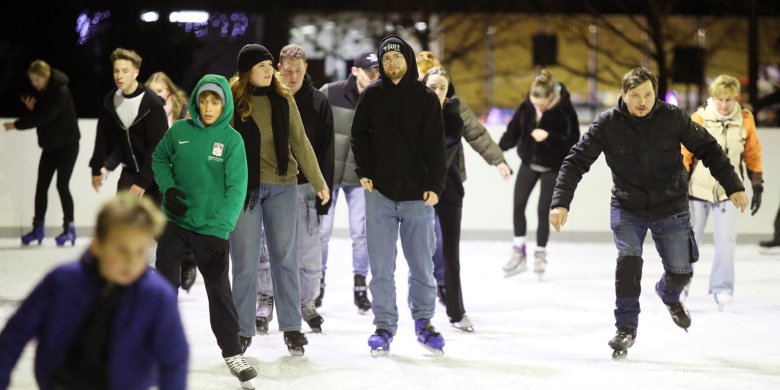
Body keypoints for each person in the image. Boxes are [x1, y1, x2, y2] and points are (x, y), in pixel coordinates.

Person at [549, 67, 749, 359]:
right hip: (628, 206)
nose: (642, 101)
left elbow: (709, 149)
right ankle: (625, 328)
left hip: (670, 205)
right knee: (629, 260)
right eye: (635, 96)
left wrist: (734, 185)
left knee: (681, 271)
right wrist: (560, 202)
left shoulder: (673, 117)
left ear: (656, 94)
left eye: (648, 95)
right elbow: (575, 162)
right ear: (623, 95)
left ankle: (668, 294)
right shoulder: (607, 124)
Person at [0, 192, 188, 390]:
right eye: (121, 250)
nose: (131, 261)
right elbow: (15, 335)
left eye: (140, 251)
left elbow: (174, 359)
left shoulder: (157, 296)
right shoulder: (62, 282)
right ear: (97, 245)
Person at [151, 74, 256, 385]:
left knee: (219, 291)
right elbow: (159, 159)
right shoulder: (180, 131)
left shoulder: (232, 141)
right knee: (163, 287)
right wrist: (168, 189)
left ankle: (233, 353)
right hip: (174, 222)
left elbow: (236, 189)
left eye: (215, 101)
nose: (208, 107)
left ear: (224, 104)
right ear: (196, 100)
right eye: (204, 100)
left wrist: (221, 230)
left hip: (210, 229)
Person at [229, 44, 329, 356]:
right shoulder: (233, 100)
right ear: (247, 71)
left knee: (285, 259)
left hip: (283, 186)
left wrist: (319, 182)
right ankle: (243, 329)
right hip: (245, 189)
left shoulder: (283, 98)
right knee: (244, 261)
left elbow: (300, 140)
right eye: (261, 66)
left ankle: (291, 327)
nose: (268, 71)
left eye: (270, 65)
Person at [352, 35, 447, 355]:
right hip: (379, 194)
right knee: (381, 267)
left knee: (421, 265)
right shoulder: (373, 95)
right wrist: (363, 171)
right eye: (386, 58)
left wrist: (436, 185)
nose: (391, 63)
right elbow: (358, 136)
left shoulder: (424, 98)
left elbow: (436, 146)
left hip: (418, 196)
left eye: (397, 57)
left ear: (407, 59)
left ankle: (424, 321)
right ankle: (384, 325)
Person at [415, 51, 512, 302]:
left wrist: (498, 160)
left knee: (441, 236)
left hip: (448, 180)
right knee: (424, 238)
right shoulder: (410, 102)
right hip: (416, 183)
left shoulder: (454, 105)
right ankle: (427, 286)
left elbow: (476, 133)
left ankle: (443, 282)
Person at [255, 44, 333, 333]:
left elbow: (326, 150)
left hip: (305, 189)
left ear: (306, 70)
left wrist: (324, 189)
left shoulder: (317, 102)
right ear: (278, 68)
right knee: (266, 248)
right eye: (287, 71)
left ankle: (306, 303)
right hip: (272, 184)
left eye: (298, 71)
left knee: (308, 250)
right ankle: (266, 299)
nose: (292, 76)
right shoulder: (269, 97)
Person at [682, 75, 763, 310]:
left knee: (726, 241)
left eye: (728, 99)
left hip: (729, 193)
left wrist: (757, 185)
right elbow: (685, 153)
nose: (724, 105)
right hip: (697, 190)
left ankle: (722, 288)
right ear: (712, 98)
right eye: (719, 99)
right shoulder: (699, 118)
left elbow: (752, 153)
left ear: (736, 98)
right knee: (688, 241)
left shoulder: (745, 120)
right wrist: (679, 184)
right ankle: (680, 286)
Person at [499, 69, 580, 279]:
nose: (538, 107)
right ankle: (518, 252)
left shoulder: (564, 110)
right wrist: (498, 152)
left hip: (552, 166)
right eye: (534, 103)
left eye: (541, 104)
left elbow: (572, 141)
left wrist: (548, 137)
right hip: (529, 162)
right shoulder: (527, 106)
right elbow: (513, 130)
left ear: (551, 97)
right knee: (518, 206)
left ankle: (540, 254)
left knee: (543, 211)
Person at [318, 50, 380, 314]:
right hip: (327, 176)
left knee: (361, 234)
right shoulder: (330, 92)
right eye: (370, 73)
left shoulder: (380, 97)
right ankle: (316, 284)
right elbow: (309, 127)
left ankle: (360, 285)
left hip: (360, 178)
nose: (375, 78)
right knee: (320, 233)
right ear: (355, 71)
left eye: (378, 73)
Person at [3, 60, 81, 247]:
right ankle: (38, 229)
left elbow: (45, 117)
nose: (34, 84)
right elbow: (43, 114)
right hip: (51, 146)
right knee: (41, 187)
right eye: (32, 80)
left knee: (62, 185)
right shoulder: (45, 92)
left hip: (67, 146)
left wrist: (16, 125)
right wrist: (32, 109)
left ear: (45, 76)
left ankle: (69, 229)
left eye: (36, 80)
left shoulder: (60, 92)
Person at [88, 48, 168, 203]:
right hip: (130, 171)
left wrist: (143, 181)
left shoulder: (152, 104)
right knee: (121, 222)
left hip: (155, 174)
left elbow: (158, 146)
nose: (119, 76)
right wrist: (97, 169)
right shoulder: (110, 101)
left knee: (152, 225)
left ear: (136, 72)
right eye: (116, 71)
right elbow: (103, 137)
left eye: (125, 71)